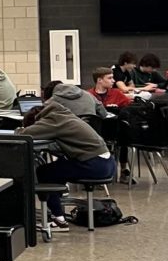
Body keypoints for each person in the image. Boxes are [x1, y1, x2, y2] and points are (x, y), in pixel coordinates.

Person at [18, 98, 116, 232]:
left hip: (94, 165)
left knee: (44, 172)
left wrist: (21, 128)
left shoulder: (52, 121)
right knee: (58, 167)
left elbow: (24, 134)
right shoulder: (64, 115)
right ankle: (56, 210)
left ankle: (59, 220)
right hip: (106, 162)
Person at [87, 67, 132, 183]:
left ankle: (124, 170)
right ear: (99, 80)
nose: (113, 81)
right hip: (95, 133)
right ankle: (95, 172)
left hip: (115, 132)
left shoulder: (117, 94)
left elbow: (129, 108)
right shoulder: (88, 95)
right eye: (110, 78)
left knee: (124, 133)